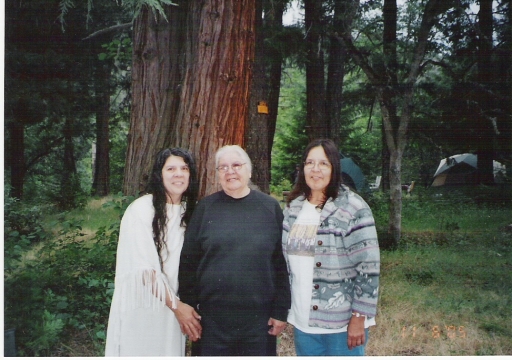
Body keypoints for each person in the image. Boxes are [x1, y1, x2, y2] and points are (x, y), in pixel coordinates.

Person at [177, 145, 291, 356]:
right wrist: (189, 307)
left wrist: (280, 310)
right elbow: (188, 263)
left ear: (249, 170)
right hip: (211, 321)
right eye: (223, 167)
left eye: (236, 165)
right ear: (218, 174)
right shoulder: (205, 208)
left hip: (259, 321)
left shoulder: (270, 208)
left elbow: (280, 263)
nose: (230, 171)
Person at [282, 139, 380, 356]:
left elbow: (369, 266)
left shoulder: (354, 208)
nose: (315, 169)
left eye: (323, 164)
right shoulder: (293, 208)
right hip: (303, 322)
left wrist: (358, 318)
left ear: (334, 168)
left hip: (342, 324)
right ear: (302, 168)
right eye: (310, 163)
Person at [105, 148, 202, 356]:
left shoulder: (191, 212)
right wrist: (177, 307)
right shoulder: (141, 209)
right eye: (171, 168)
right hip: (143, 307)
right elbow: (144, 271)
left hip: (175, 309)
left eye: (184, 168)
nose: (179, 174)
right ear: (160, 174)